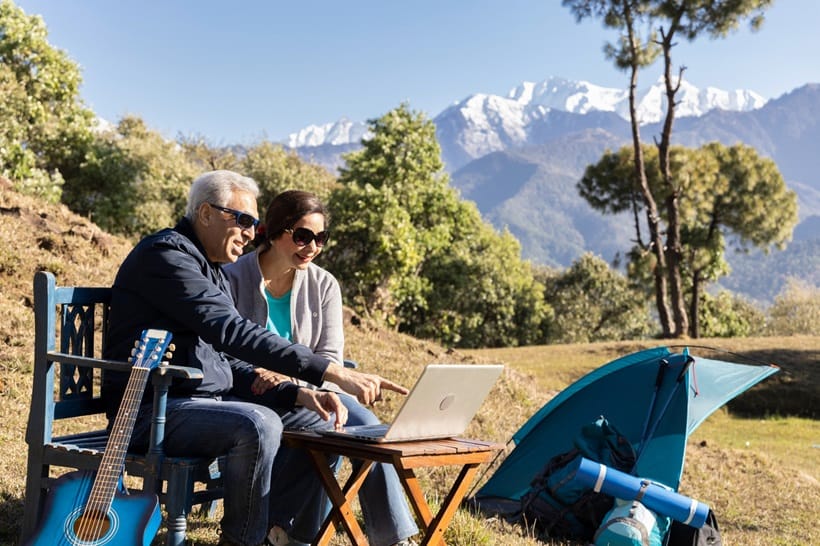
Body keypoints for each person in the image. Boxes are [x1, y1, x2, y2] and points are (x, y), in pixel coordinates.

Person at [102, 170, 408, 546]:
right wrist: (329, 371)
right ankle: (244, 540)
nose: (250, 233)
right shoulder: (167, 257)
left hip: (198, 403)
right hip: (152, 409)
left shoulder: (207, 268)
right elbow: (232, 331)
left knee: (320, 416)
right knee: (258, 423)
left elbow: (221, 359)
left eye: (254, 224)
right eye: (242, 220)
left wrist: (296, 394)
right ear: (205, 213)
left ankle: (290, 535)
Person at [224, 190, 419, 546]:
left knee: (370, 430)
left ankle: (391, 539)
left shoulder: (324, 284)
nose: (312, 246)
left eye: (320, 238)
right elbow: (229, 350)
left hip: (315, 390)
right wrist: (283, 382)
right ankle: (292, 533)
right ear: (273, 231)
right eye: (302, 236)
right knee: (332, 429)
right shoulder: (233, 278)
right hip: (254, 395)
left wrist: (292, 377)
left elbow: (330, 355)